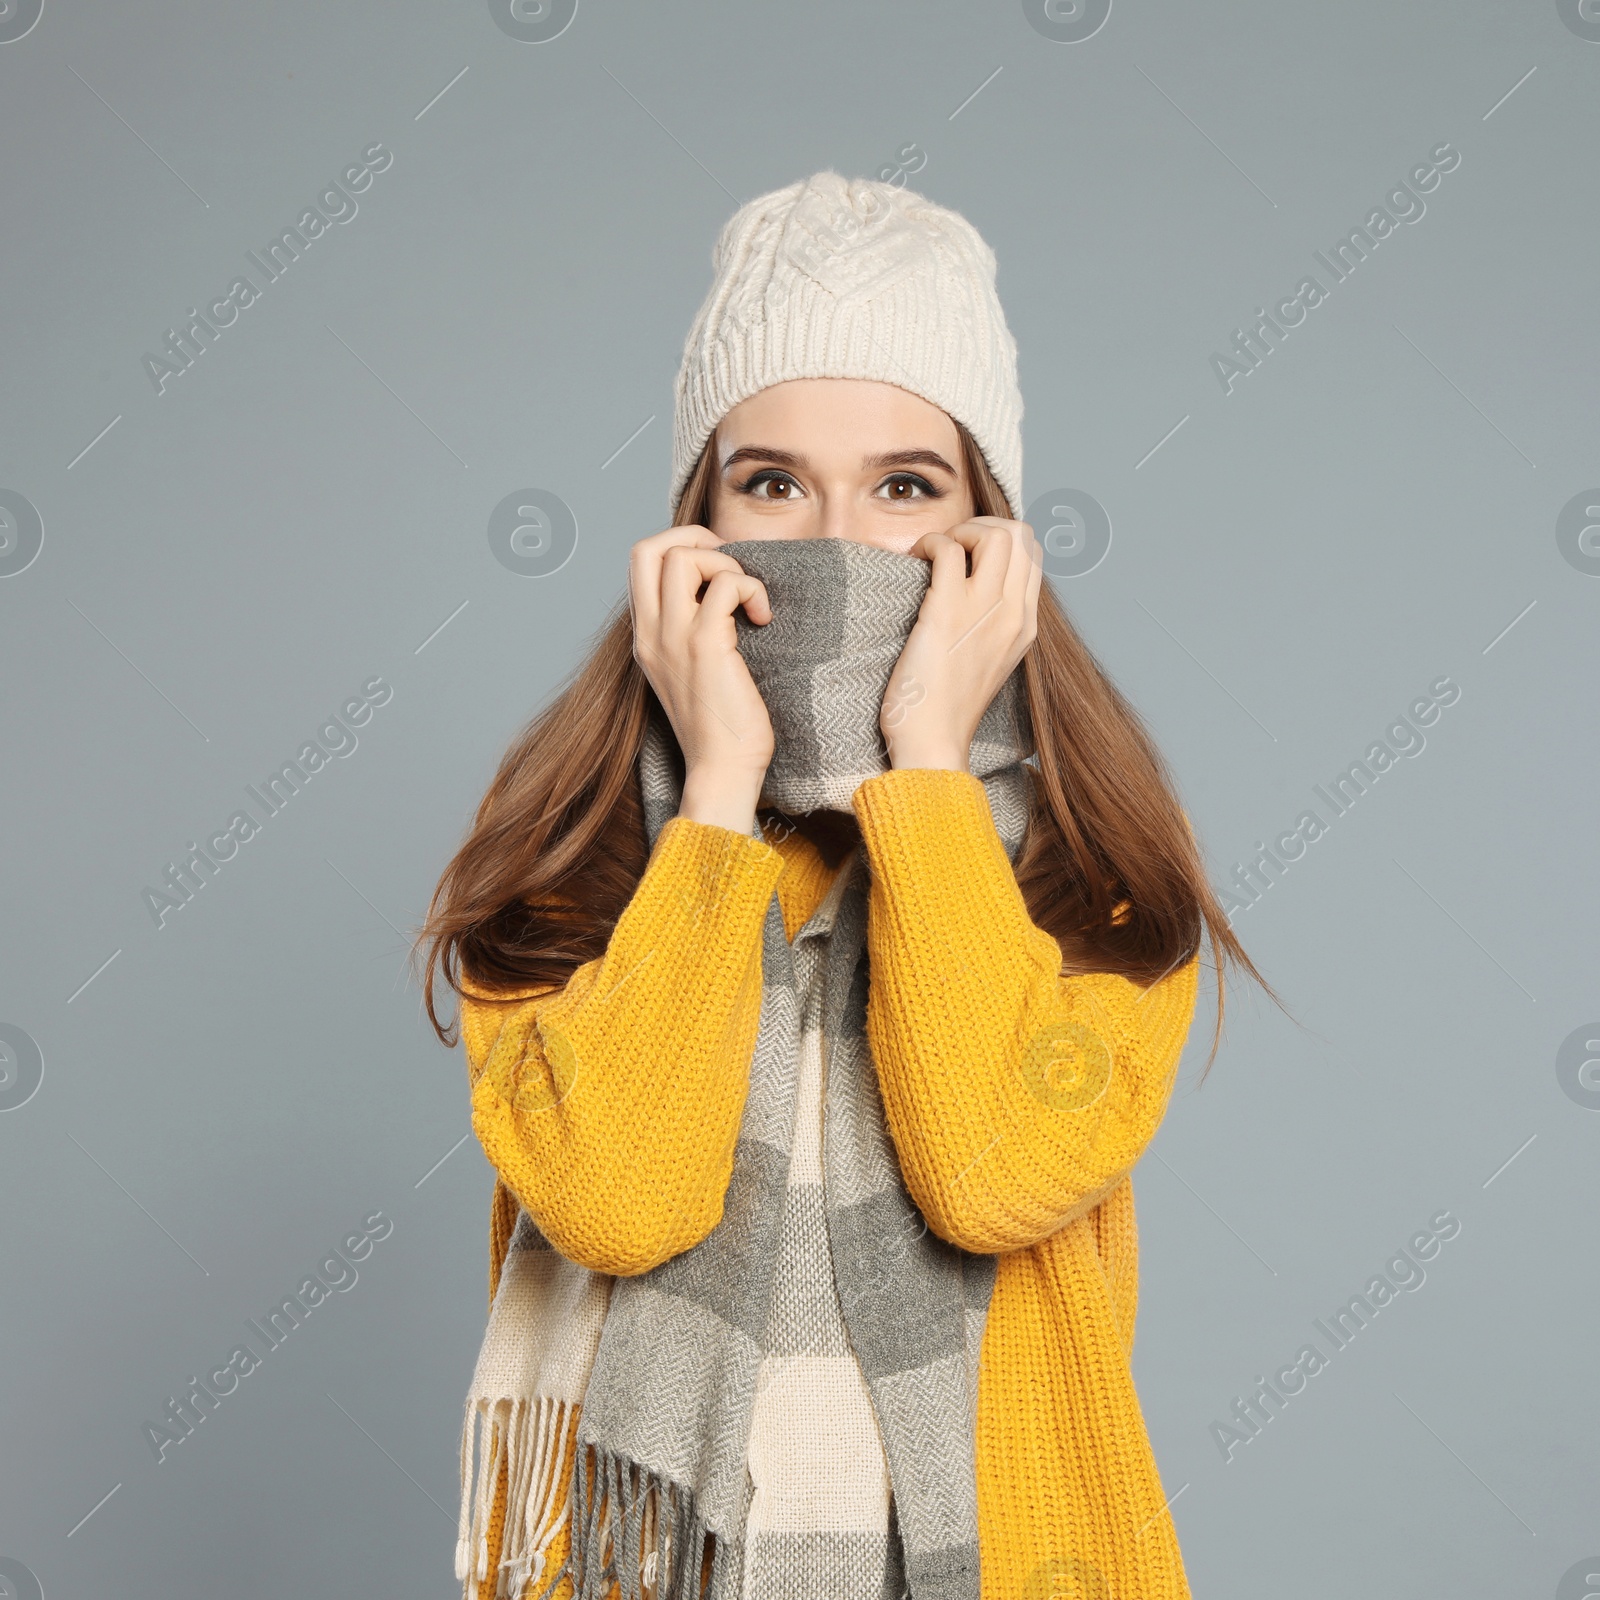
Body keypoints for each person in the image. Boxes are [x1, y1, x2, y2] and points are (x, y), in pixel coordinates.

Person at [417, 171, 1275, 1600]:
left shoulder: (1092, 853)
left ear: (987, 533)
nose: (834, 543)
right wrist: (717, 805)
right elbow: (624, 1200)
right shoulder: (563, 851)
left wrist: (926, 767)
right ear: (692, 523)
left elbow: (996, 1176)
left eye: (902, 487)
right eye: (772, 483)